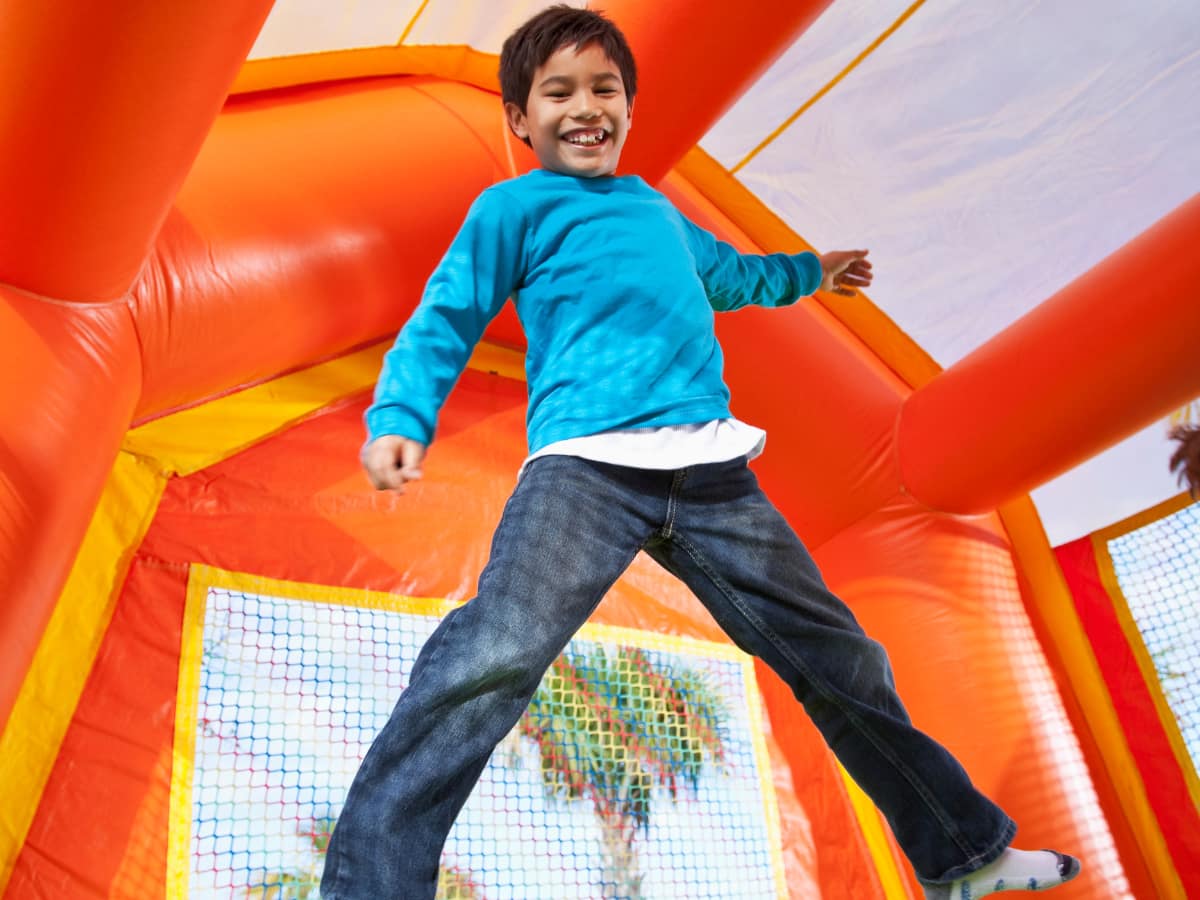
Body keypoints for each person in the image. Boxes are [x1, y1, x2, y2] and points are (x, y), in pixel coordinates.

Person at [320, 7, 1081, 899]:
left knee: (844, 658)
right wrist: (402, 413)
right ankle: (369, 888)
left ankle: (965, 857)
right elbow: (448, 312)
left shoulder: (656, 210)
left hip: (713, 476)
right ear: (521, 121)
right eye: (556, 91)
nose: (584, 106)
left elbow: (735, 276)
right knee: (493, 654)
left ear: (630, 109)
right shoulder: (515, 207)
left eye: (603, 88)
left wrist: (813, 272)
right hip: (585, 471)